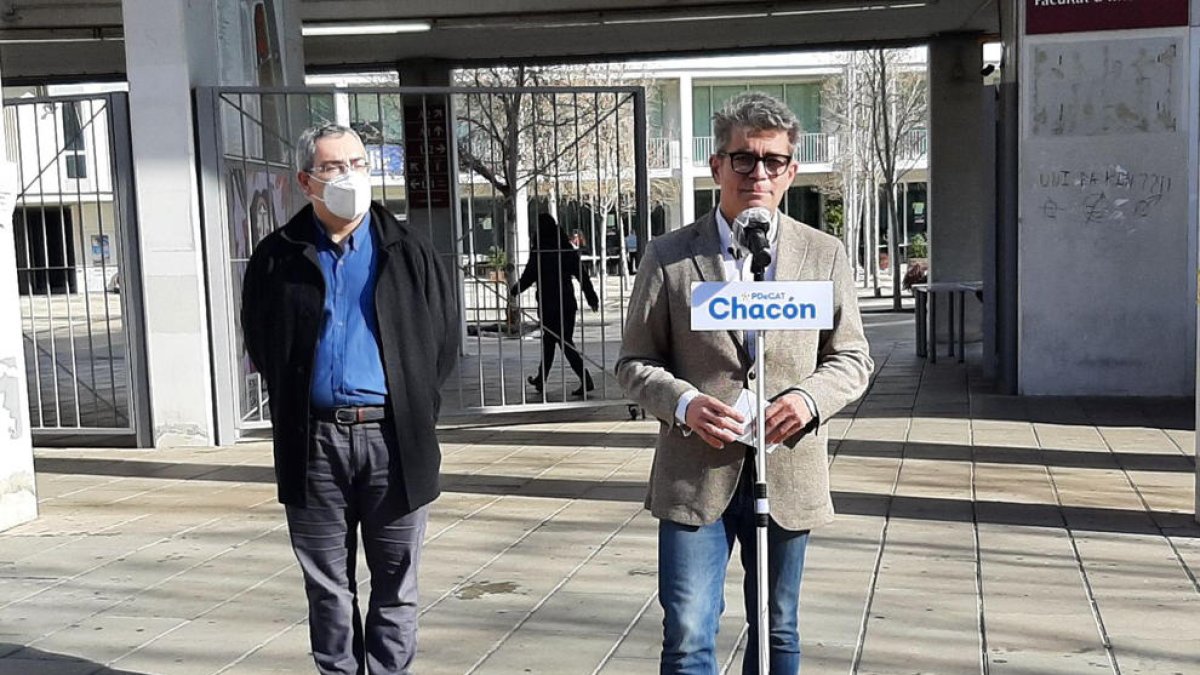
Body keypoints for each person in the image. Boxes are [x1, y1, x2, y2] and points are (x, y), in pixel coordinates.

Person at [616, 92, 873, 674]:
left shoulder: (823, 254)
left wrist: (807, 400)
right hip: (694, 474)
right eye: (744, 159)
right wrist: (683, 403)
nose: (758, 173)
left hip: (786, 471)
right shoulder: (671, 256)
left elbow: (852, 359)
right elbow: (634, 361)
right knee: (686, 633)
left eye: (773, 161)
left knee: (779, 629)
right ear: (717, 166)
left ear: (790, 171)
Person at [241, 124, 459, 675]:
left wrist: (411, 404)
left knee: (397, 586)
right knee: (327, 589)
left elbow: (443, 341)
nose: (349, 177)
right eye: (334, 168)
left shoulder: (409, 252)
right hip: (314, 442)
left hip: (393, 441)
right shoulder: (278, 256)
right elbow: (263, 340)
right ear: (306, 182)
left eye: (357, 164)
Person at [512, 213, 600, 397]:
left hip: (548, 304)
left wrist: (515, 289)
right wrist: (591, 297)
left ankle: (584, 379)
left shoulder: (541, 250)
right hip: (567, 303)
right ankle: (541, 379)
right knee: (552, 341)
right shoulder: (565, 248)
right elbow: (581, 274)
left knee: (560, 342)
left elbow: (530, 274)